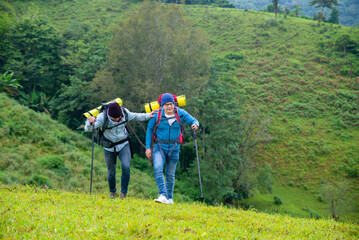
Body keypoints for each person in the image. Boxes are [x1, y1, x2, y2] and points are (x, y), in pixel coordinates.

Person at [85, 101, 155, 199]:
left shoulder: (124, 113)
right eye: (115, 118)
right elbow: (88, 129)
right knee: (111, 171)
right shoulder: (102, 118)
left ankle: (123, 193)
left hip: (123, 144)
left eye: (119, 117)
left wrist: (148, 115)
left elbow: (135, 116)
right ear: (109, 115)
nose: (118, 119)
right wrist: (89, 122)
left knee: (126, 167)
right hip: (109, 147)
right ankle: (113, 192)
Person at [145, 93, 199, 204]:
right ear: (162, 105)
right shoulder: (156, 115)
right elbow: (149, 131)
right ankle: (162, 194)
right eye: (166, 105)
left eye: (171, 104)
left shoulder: (181, 113)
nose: (169, 107)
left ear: (174, 104)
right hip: (159, 146)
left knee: (170, 174)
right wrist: (147, 148)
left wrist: (195, 124)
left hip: (175, 148)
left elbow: (194, 120)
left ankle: (169, 198)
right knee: (158, 169)